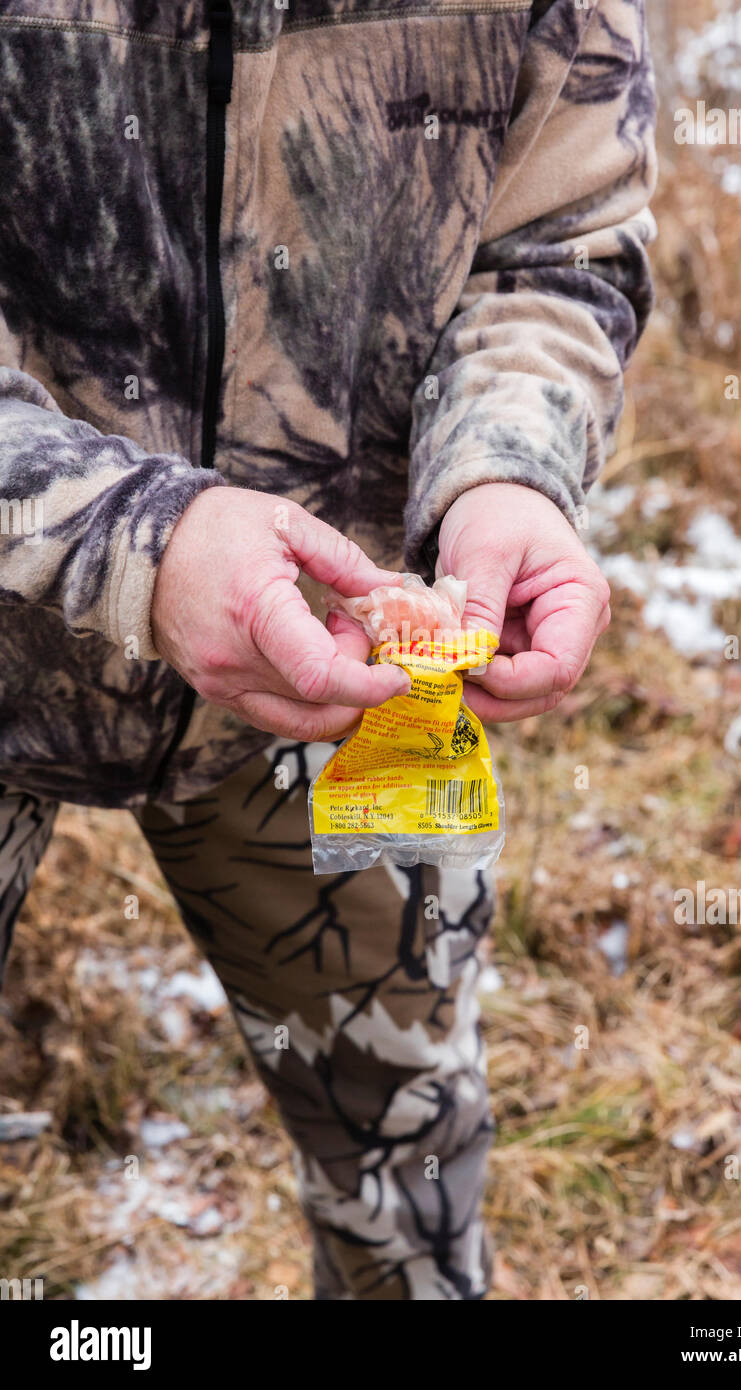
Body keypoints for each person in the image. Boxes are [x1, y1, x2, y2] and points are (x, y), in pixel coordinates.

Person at [0, 0, 656, 1298]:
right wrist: (136, 536)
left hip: (347, 680)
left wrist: (505, 475)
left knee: (406, 1181)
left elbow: (553, 246)